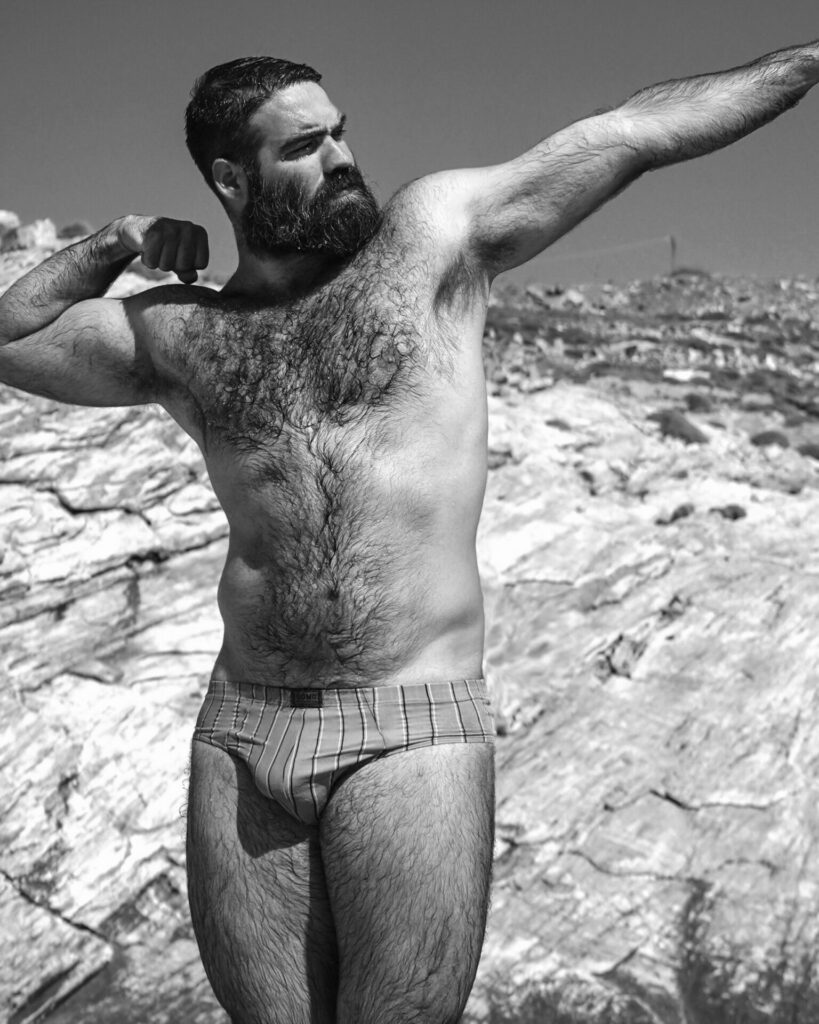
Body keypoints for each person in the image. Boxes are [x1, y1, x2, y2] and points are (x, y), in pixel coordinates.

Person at [1, 39, 817, 1024]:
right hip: (242, 731)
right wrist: (107, 250)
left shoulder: (430, 243)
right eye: (305, 145)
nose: (343, 156)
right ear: (231, 178)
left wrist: (810, 58)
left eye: (342, 131)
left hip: (410, 722)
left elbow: (634, 134)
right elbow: (12, 342)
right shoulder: (178, 329)